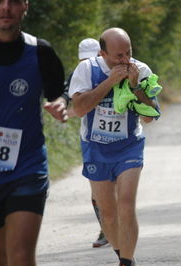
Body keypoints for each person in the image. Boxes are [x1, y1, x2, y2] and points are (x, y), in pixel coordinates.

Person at [0, 0, 67, 265]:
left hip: (26, 168)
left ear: (25, 6)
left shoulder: (40, 52)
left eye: (14, 1)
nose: (6, 7)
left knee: (21, 257)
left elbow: (58, 92)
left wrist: (60, 105)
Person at [69, 27, 160, 266]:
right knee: (108, 214)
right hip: (96, 148)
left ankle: (127, 261)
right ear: (102, 53)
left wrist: (135, 87)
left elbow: (150, 117)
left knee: (126, 203)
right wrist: (110, 82)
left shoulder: (141, 70)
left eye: (128, 53)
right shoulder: (87, 70)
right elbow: (79, 109)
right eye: (118, 56)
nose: (124, 60)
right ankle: (122, 254)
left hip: (129, 146)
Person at [64, 37, 109, 248]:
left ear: (102, 54)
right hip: (90, 138)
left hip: (119, 139)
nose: (87, 63)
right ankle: (106, 229)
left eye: (91, 58)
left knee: (117, 187)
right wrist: (65, 110)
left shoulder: (112, 69)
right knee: (97, 191)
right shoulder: (78, 73)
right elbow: (67, 101)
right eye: (83, 60)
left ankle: (116, 228)